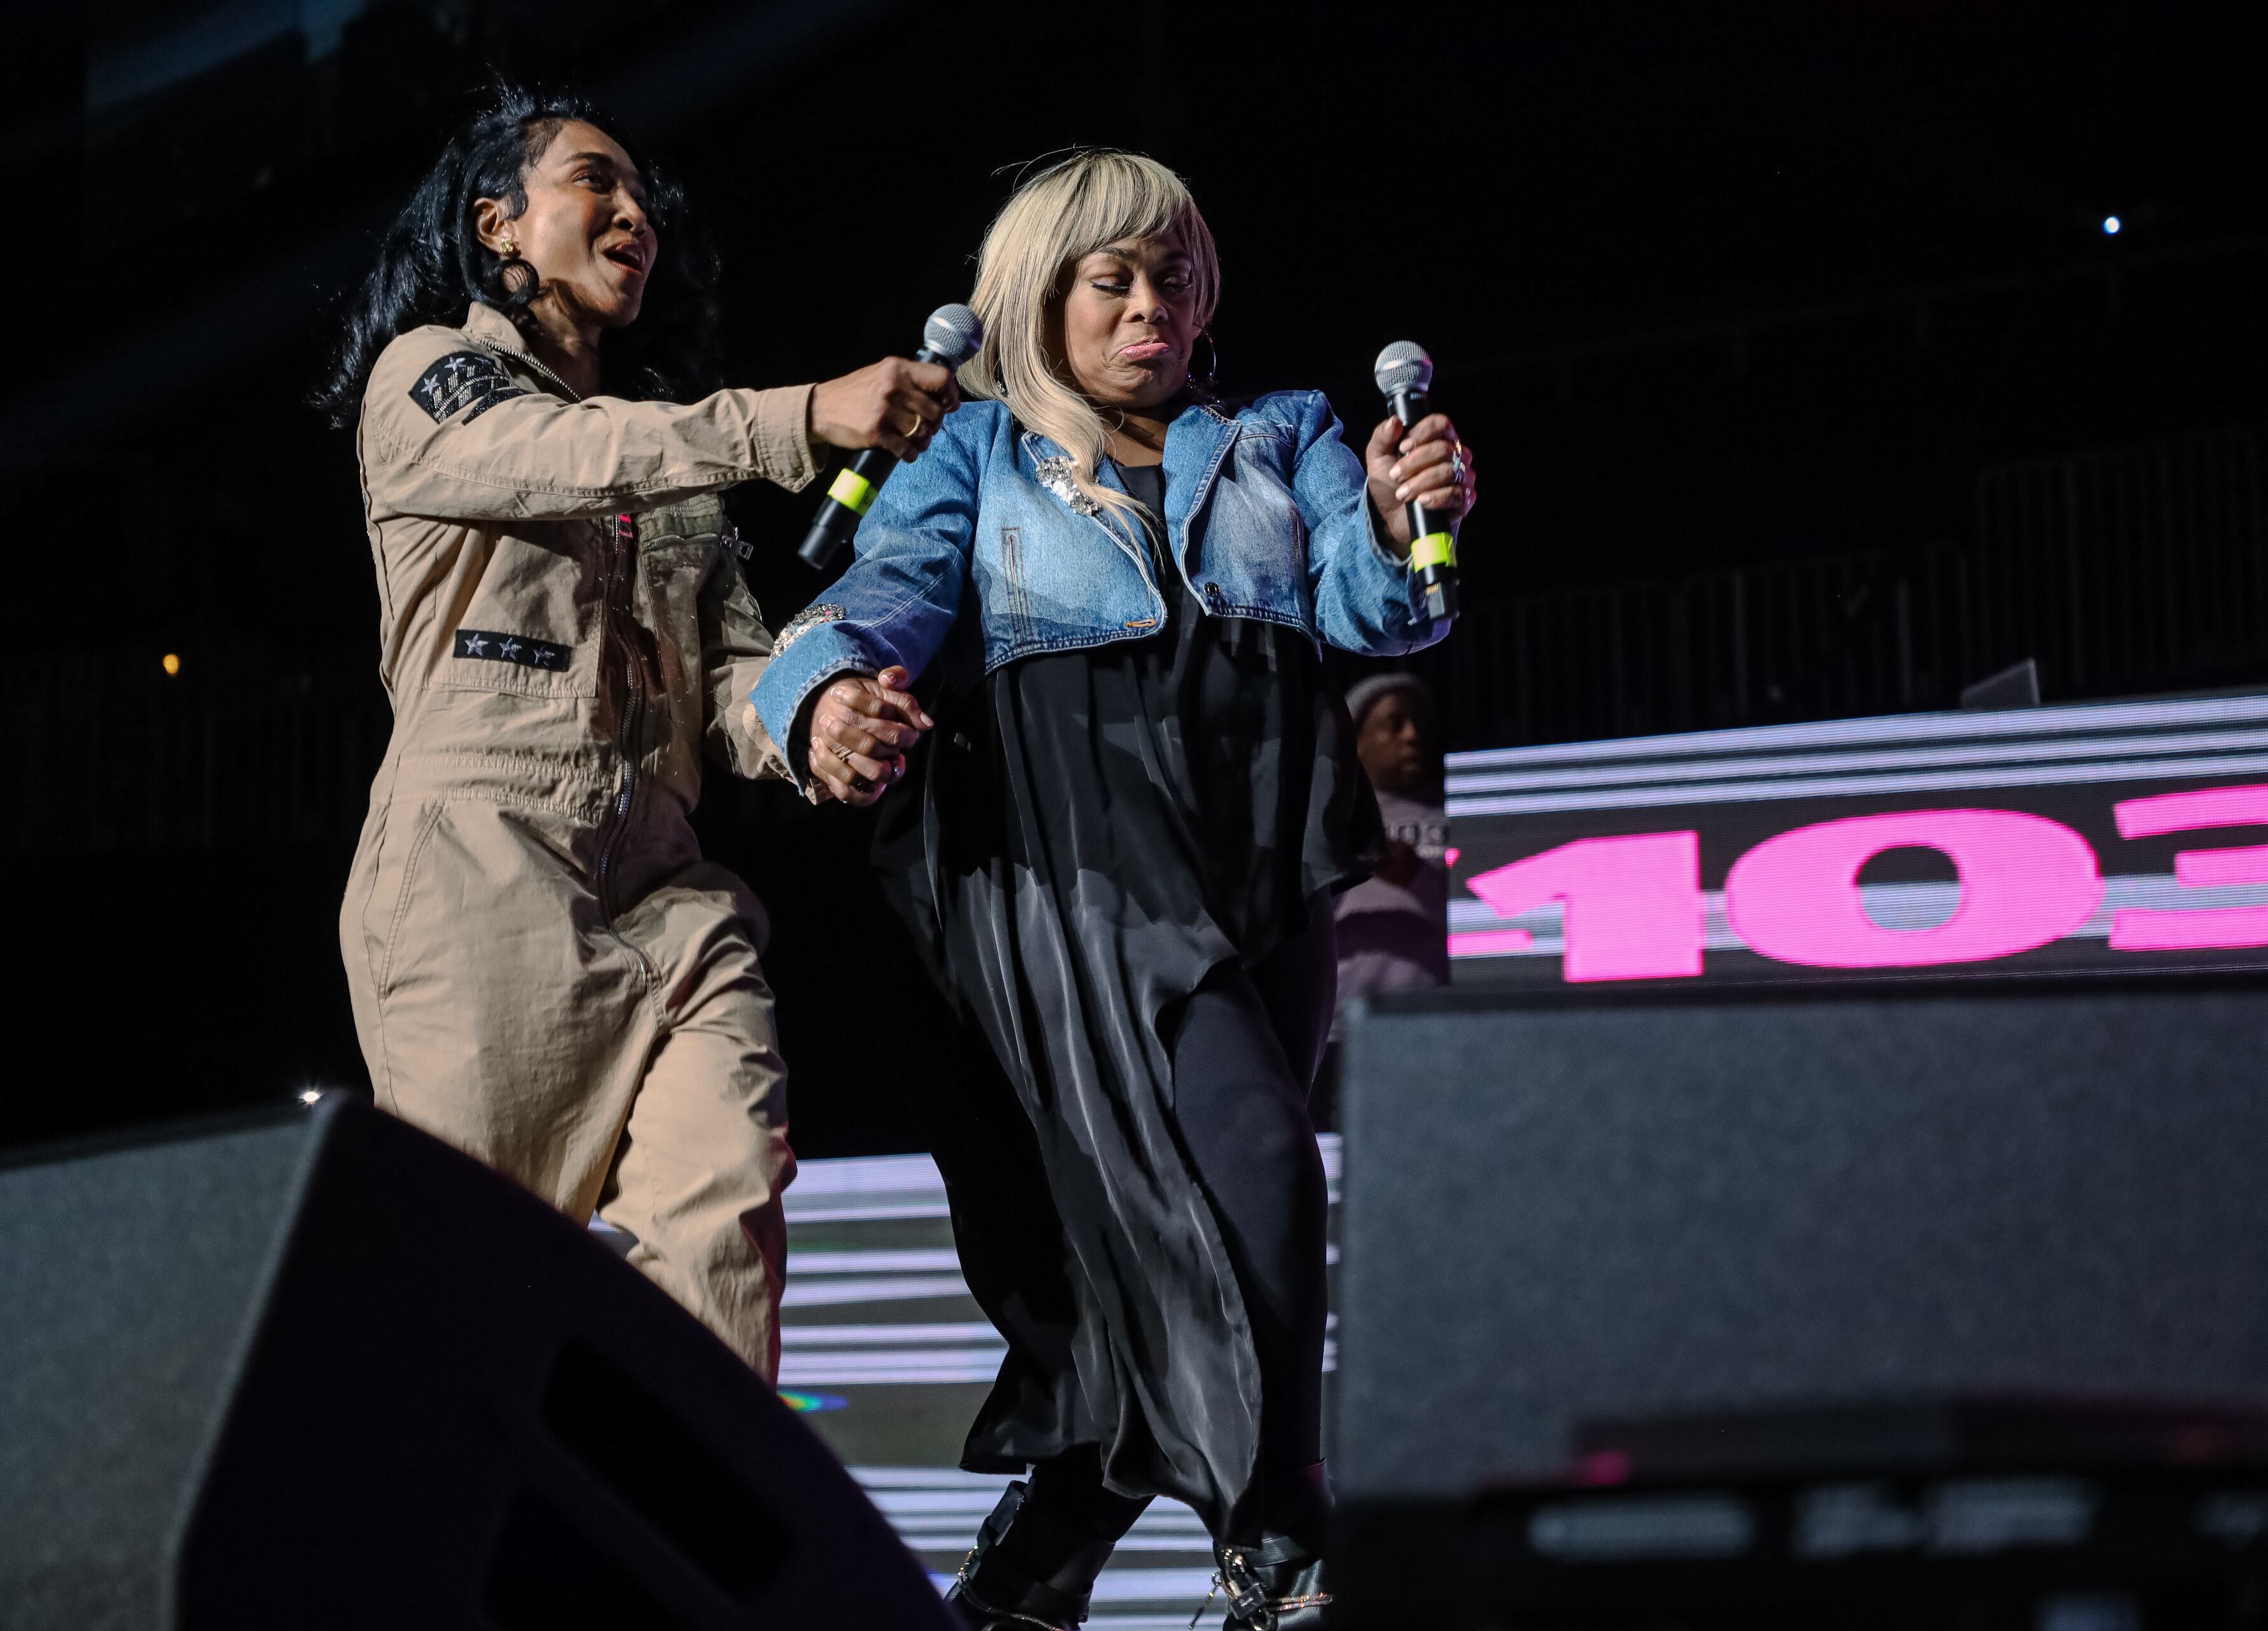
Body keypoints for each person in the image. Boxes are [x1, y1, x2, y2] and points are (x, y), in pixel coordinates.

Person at [750, 151, 1474, 1630]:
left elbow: (1370, 604)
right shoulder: (977, 449)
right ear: (1040, 296)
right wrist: (823, 693)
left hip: (1261, 848)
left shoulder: (1280, 430)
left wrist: (1404, 521)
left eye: (1174, 277)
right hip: (1074, 853)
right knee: (1263, 1164)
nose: (1153, 305)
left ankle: (1027, 1572)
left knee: (1153, 1246)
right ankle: (1284, 1540)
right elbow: (879, 597)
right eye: (1114, 279)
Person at [313, 83, 957, 1383]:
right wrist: (796, 416)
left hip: (668, 890)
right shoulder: (430, 378)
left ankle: (697, 1506)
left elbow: (725, 676)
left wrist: (815, 712)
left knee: (725, 1209)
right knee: (472, 1295)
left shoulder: (665, 462)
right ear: (498, 223)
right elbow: (556, 454)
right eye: (594, 182)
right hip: (483, 873)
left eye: (645, 196)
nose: (635, 213)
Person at [1314, 672, 1451, 1126]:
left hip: (1434, 1023)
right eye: (1394, 724)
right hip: (1341, 1028)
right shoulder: (1321, 822)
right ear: (1354, 741)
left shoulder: (1454, 815)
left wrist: (1414, 873)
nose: (1413, 736)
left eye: (1421, 725)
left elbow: (1485, 913)